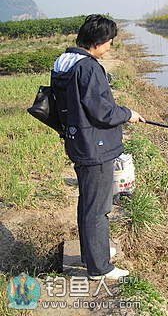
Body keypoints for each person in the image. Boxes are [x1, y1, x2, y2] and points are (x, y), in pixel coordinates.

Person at [51, 14, 144, 280]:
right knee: (97, 208)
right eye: (110, 42)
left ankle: (94, 251)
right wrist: (128, 114)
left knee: (89, 204)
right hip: (95, 147)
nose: (110, 48)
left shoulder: (64, 61)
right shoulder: (89, 68)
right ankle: (99, 267)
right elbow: (102, 112)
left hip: (78, 141)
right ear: (99, 42)